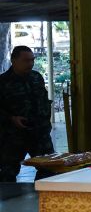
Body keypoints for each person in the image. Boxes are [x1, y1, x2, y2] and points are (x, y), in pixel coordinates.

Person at [0, 46, 52, 181]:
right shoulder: (3, 82)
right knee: (7, 173)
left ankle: (41, 193)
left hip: (39, 133)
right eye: (26, 60)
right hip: (14, 135)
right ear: (13, 61)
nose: (30, 64)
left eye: (32, 60)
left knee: (49, 168)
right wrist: (11, 118)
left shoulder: (36, 77)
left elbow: (44, 101)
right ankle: (9, 194)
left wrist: (46, 122)